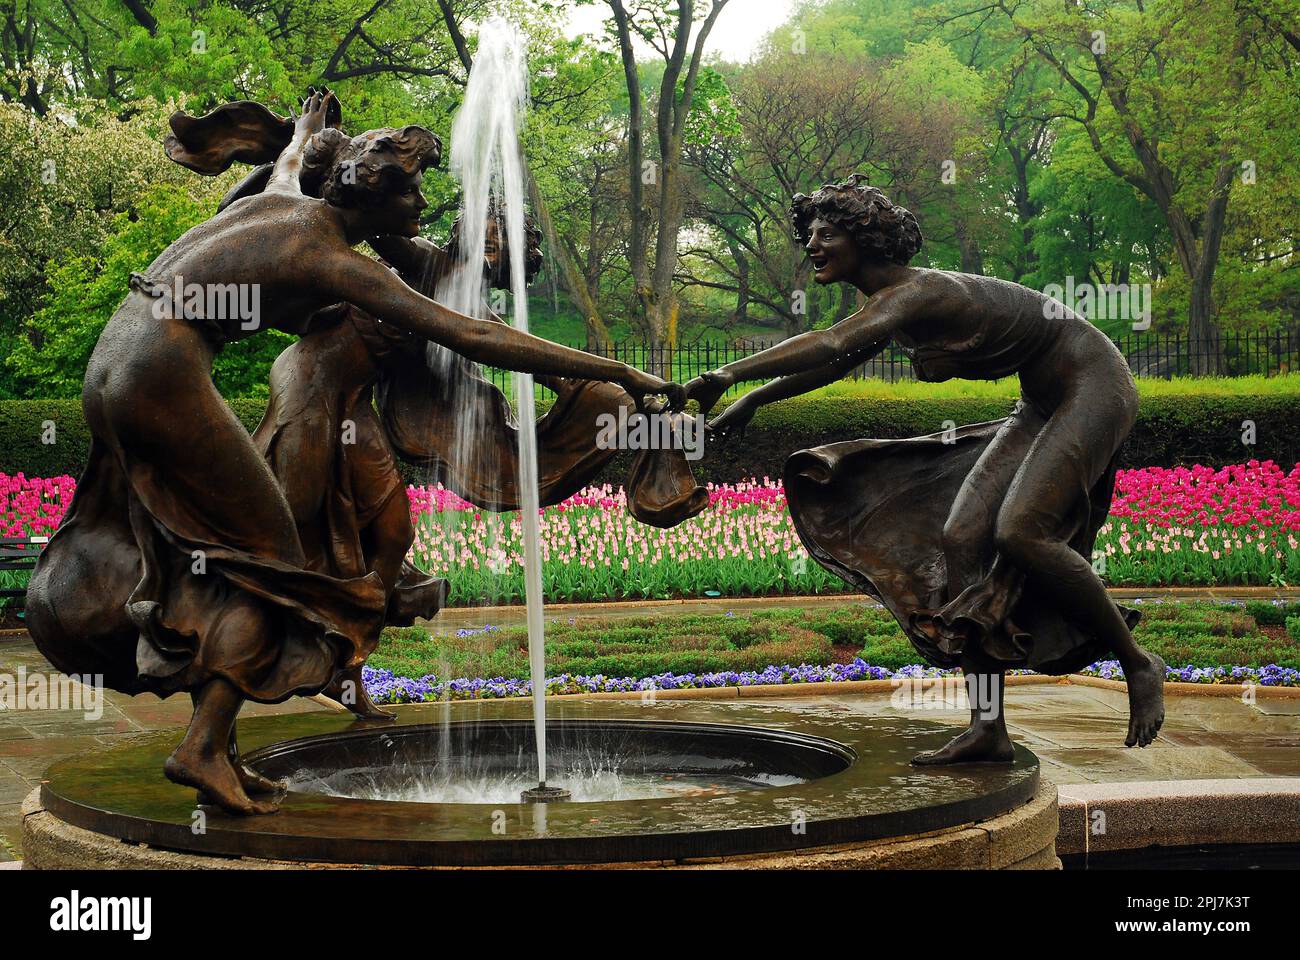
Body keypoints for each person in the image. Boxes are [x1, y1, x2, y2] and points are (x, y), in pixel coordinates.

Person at [25, 91, 678, 815]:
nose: (424, 207)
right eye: (414, 193)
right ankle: (202, 748)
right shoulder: (334, 260)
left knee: (223, 551)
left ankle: (221, 739)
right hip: (163, 370)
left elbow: (287, 164)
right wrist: (618, 371)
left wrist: (304, 131)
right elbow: (478, 339)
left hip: (114, 359)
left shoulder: (283, 207)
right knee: (280, 570)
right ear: (375, 199)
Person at [686, 175, 1164, 762]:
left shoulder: (917, 291)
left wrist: (729, 374)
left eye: (827, 233)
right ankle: (989, 728)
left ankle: (1138, 664)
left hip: (1095, 387)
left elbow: (833, 344)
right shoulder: (890, 306)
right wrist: (753, 400)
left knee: (1020, 532)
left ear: (866, 241)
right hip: (1043, 402)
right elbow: (839, 360)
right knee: (961, 537)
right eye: (808, 233)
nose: (812, 243)